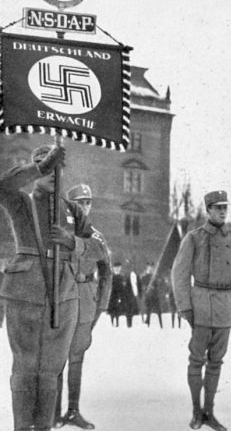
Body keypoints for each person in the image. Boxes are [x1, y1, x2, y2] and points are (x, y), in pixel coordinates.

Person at [0, 145, 99, 431]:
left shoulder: (73, 211)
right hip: (26, 293)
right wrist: (40, 168)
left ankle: (44, 427)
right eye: (44, 165)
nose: (52, 172)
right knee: (26, 366)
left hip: (64, 295)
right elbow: (3, 184)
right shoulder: (21, 201)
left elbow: (99, 250)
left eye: (56, 166)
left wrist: (73, 243)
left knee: (51, 369)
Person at [172, 190, 231, 431]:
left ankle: (209, 413)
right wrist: (185, 307)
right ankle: (196, 412)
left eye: (225, 207)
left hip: (225, 306)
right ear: (208, 211)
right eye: (217, 208)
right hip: (201, 303)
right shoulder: (195, 238)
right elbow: (179, 274)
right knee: (196, 361)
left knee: (216, 362)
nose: (222, 211)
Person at [53, 184, 112, 430]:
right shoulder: (58, 233)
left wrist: (102, 305)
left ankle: (73, 410)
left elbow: (106, 272)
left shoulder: (96, 236)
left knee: (77, 356)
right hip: (62, 297)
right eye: (80, 202)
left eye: (88, 202)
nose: (85, 207)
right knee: (56, 358)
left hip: (86, 299)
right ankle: (52, 413)